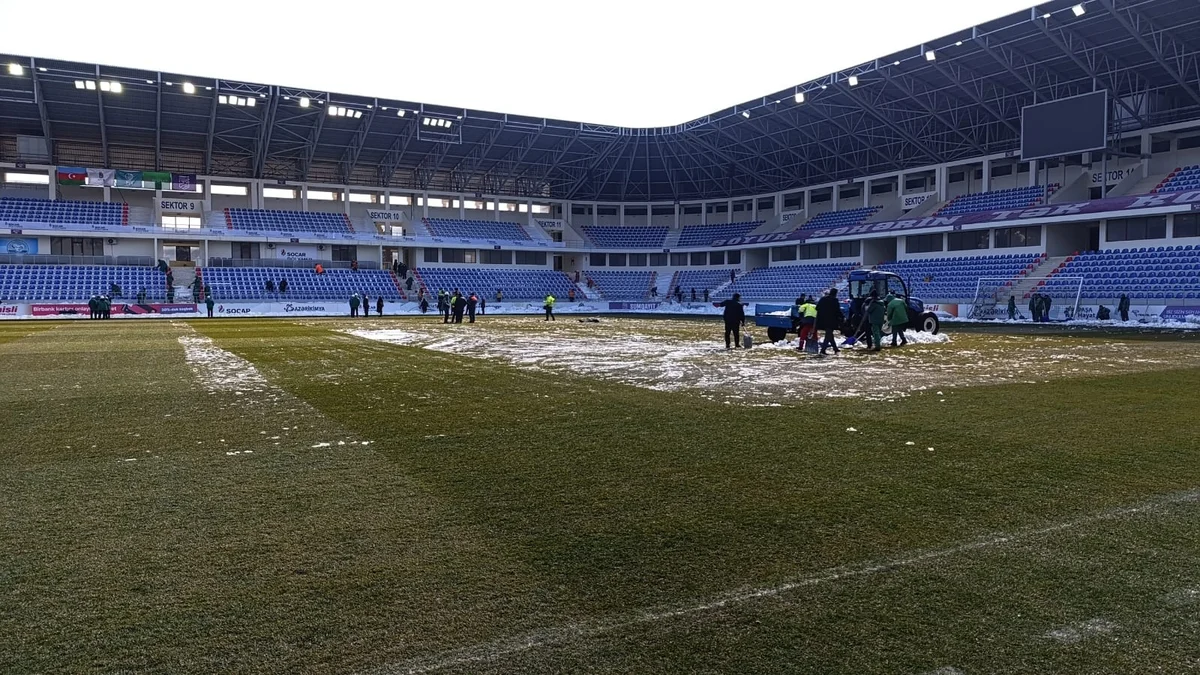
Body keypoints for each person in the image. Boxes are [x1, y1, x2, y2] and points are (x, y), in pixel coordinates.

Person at [815, 288, 844, 355]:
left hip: (822, 320)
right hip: (831, 320)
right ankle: (823, 350)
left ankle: (835, 349)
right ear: (835, 294)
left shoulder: (822, 299)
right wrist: (842, 317)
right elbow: (837, 311)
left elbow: (817, 308)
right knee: (828, 335)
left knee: (829, 334)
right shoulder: (834, 300)